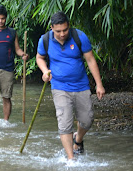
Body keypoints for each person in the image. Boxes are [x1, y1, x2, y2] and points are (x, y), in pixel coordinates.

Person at [36, 11, 105, 160]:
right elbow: (40, 58)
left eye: (65, 30)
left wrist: (99, 84)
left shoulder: (79, 37)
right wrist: (44, 71)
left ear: (69, 26)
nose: (62, 34)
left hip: (81, 85)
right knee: (64, 122)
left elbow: (91, 60)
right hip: (59, 87)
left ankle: (78, 139)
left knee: (87, 119)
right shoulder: (45, 40)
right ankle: (71, 158)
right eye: (58, 31)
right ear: (52, 28)